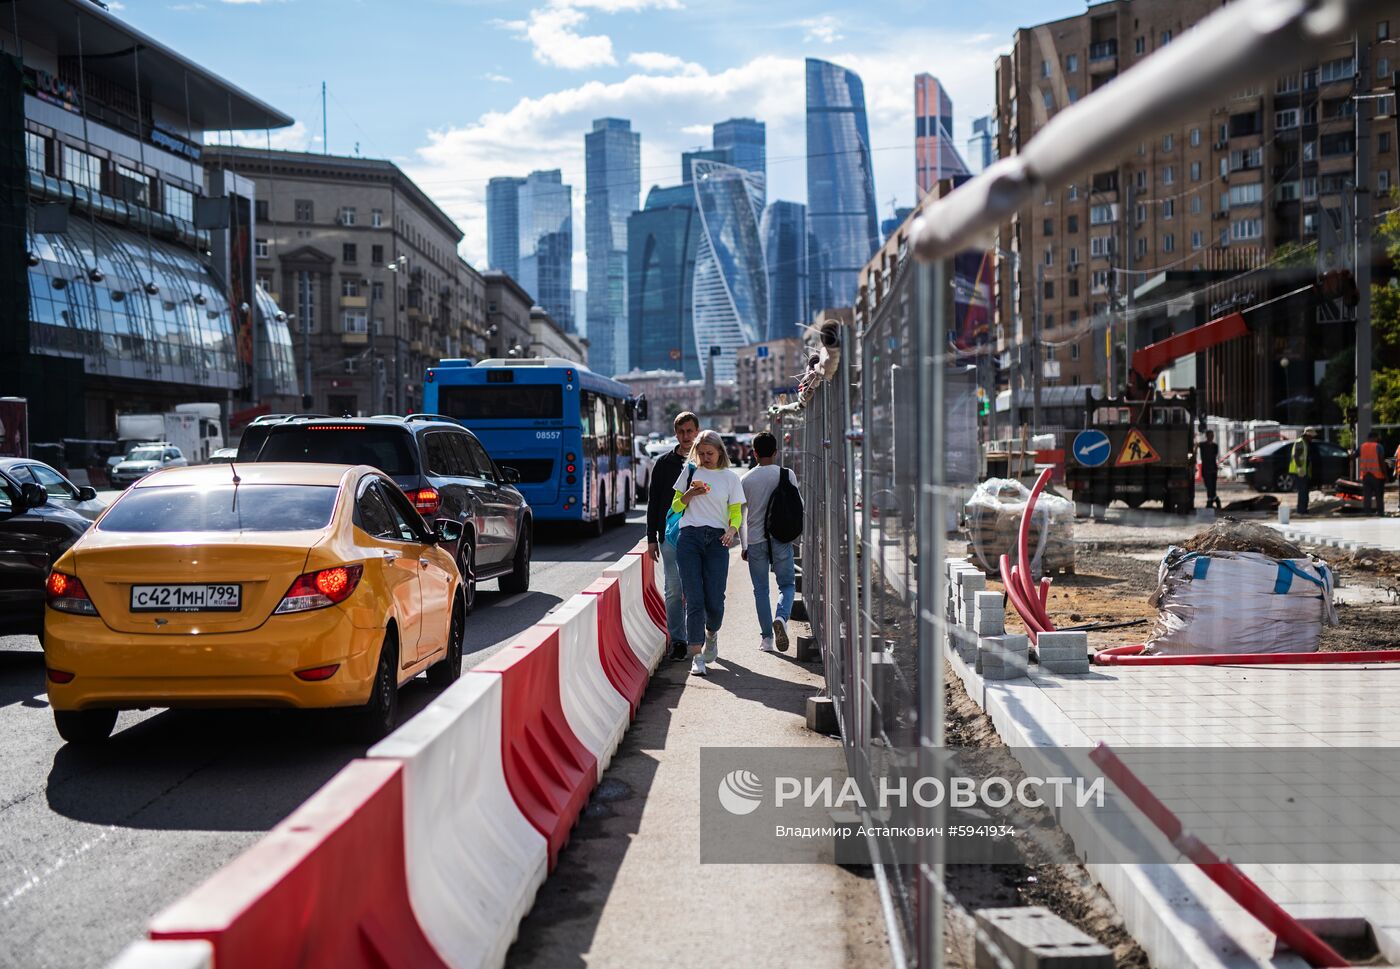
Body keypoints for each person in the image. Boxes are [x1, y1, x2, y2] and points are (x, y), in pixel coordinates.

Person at [671, 429, 745, 677]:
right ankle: (697, 655)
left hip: (717, 540)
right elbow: (675, 505)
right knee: (693, 598)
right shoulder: (691, 471)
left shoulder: (730, 478)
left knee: (715, 600)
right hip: (689, 538)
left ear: (720, 452)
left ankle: (711, 633)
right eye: (701, 453)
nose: (705, 457)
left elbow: (736, 511)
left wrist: (733, 530)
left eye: (710, 453)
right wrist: (691, 493)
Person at [646, 412, 701, 661]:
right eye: (681, 432)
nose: (686, 436)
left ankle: (701, 639)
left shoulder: (707, 461)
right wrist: (650, 537)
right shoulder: (663, 463)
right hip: (669, 536)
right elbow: (654, 501)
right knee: (673, 589)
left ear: (697, 432)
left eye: (690, 431)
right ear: (675, 434)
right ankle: (678, 641)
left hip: (701, 534)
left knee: (699, 589)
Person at [740, 432, 798, 652]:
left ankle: (766, 639)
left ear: (754, 453)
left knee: (761, 590)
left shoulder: (745, 480)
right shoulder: (787, 474)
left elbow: (741, 519)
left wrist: (744, 546)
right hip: (781, 538)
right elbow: (797, 505)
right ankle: (781, 618)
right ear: (776, 452)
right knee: (787, 584)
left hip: (755, 540)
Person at [1357, 429, 1386, 516]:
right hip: (1377, 476)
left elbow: (1353, 456)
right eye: (1377, 438)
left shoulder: (1362, 447)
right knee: (1379, 495)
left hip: (1366, 475)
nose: (1378, 440)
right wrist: (1385, 474)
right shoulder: (1378, 446)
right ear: (1374, 438)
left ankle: (1367, 512)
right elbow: (1381, 461)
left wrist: (1350, 455)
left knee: (1367, 495)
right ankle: (1380, 512)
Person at [1290, 427, 1316, 515]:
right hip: (1299, 471)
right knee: (1302, 491)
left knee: (1304, 491)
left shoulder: (1305, 443)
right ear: (1307, 435)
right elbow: (1296, 456)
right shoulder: (1300, 442)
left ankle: (1303, 509)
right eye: (1311, 436)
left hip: (1304, 471)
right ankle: (1301, 510)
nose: (1312, 438)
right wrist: (1300, 467)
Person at [1198, 430, 1221, 510]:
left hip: (1213, 469)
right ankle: (1214, 500)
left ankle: (1211, 501)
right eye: (1210, 435)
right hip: (1206, 469)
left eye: (1212, 435)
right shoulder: (1202, 445)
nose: (1211, 437)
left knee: (1213, 487)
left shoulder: (1215, 446)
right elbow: (1196, 445)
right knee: (1209, 486)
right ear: (1207, 436)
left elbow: (1214, 456)